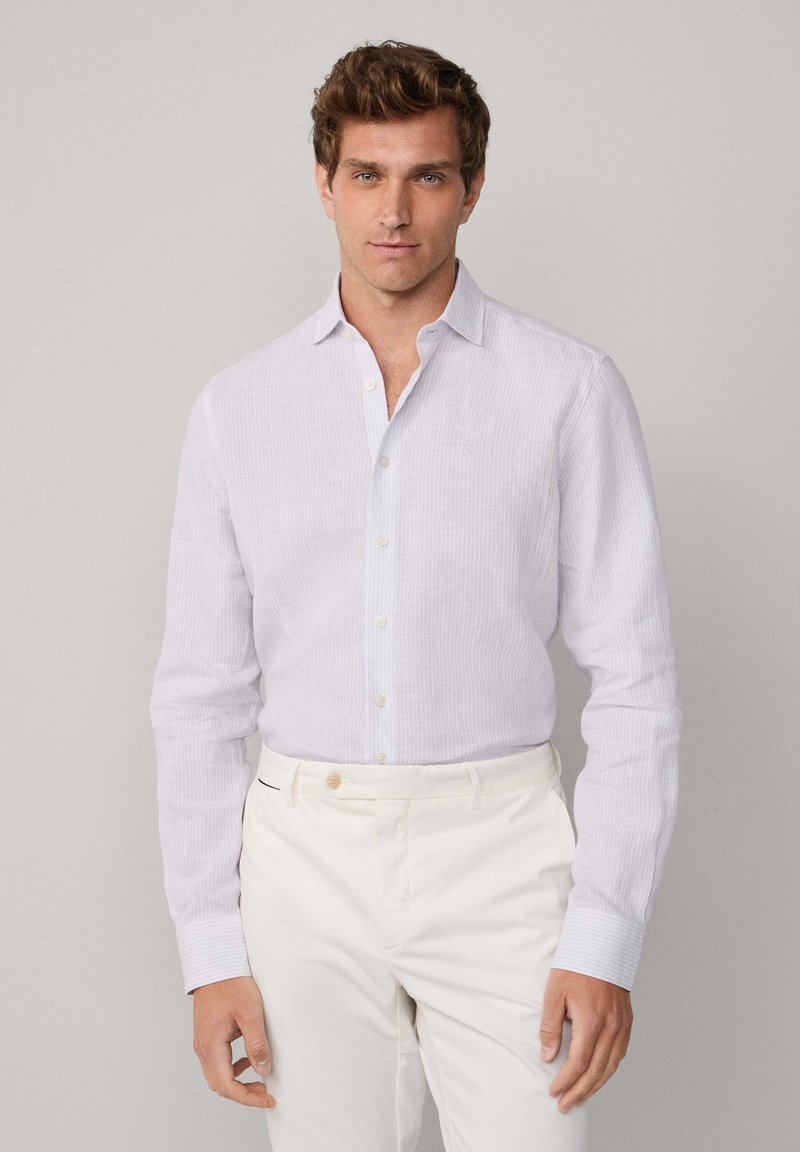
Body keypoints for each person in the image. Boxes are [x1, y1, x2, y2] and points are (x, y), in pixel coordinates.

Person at [150, 39, 682, 1152]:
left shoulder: (566, 391)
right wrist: (211, 951)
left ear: (471, 188)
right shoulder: (239, 410)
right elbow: (200, 696)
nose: (393, 212)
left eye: (427, 176)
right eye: (366, 175)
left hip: (504, 854)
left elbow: (635, 681)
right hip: (301, 863)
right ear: (324, 183)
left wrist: (604, 933)